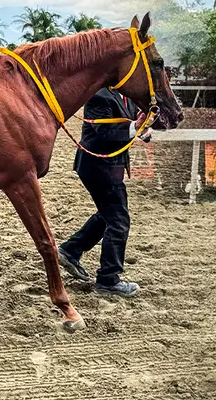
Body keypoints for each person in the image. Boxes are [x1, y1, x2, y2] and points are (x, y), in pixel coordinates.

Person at [57, 88, 150, 297]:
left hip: (110, 166)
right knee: (118, 221)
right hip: (97, 166)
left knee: (108, 214)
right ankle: (108, 279)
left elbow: (132, 125)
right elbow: (105, 133)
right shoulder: (99, 96)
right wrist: (135, 126)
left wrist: (143, 128)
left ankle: (71, 250)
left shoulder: (127, 97)